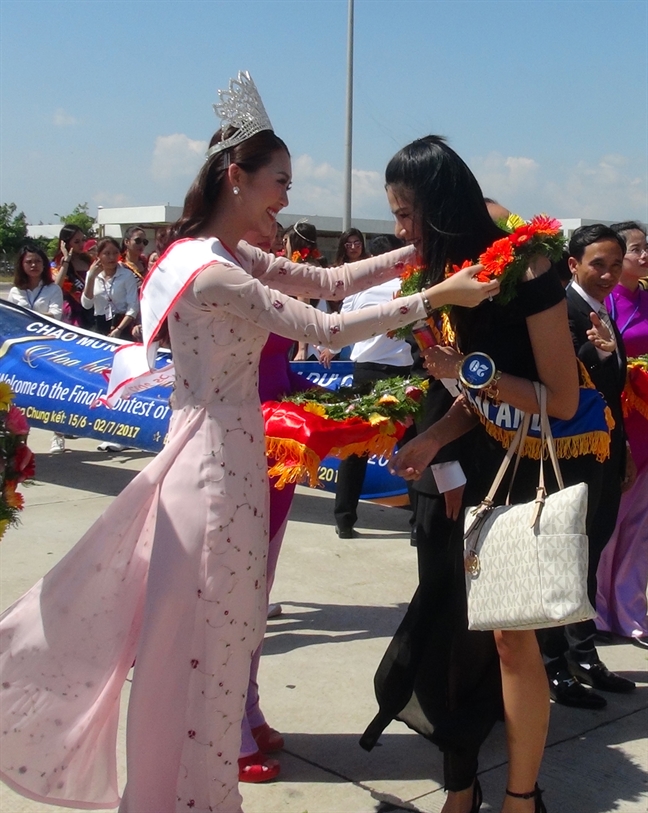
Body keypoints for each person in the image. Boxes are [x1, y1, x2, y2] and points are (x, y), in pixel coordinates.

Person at [0, 74, 497, 813]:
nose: (286, 199)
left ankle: (196, 792)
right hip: (213, 471)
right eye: (280, 183)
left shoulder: (216, 251)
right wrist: (434, 296)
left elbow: (324, 279)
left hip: (226, 458)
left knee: (220, 648)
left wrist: (411, 253)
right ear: (236, 176)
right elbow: (325, 327)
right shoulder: (211, 272)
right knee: (210, 652)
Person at [360, 135, 605, 813]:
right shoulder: (453, 273)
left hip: (529, 466)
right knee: (450, 629)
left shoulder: (528, 269)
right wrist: (433, 435)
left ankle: (522, 794)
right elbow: (476, 397)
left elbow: (556, 398)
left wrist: (473, 372)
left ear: (440, 209)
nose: (402, 231)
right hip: (472, 458)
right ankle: (462, 781)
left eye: (407, 215)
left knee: (508, 633)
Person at [536, 224, 636, 709]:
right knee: (566, 558)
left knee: (590, 555)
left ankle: (583, 653)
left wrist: (625, 452)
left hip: (607, 451)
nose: (608, 274)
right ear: (573, 264)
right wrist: (593, 351)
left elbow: (613, 392)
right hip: (570, 454)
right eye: (598, 264)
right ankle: (552, 663)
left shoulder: (604, 310)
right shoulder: (562, 311)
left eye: (616, 265)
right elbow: (562, 384)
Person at [333, 234, 414, 538]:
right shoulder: (408, 287)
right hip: (401, 374)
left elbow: (341, 327)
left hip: (365, 372)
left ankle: (344, 518)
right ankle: (419, 522)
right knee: (409, 445)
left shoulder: (360, 290)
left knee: (357, 448)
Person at [596, 221, 648, 650]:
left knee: (640, 526)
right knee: (607, 522)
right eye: (635, 249)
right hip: (618, 424)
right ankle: (596, 610)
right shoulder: (602, 304)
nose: (643, 255)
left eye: (644, 248)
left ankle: (630, 613)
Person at [8, 245, 65, 454]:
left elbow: (56, 315)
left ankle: (58, 435)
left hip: (48, 349)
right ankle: (20, 438)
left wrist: (30, 318)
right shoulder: (15, 291)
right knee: (22, 396)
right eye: (29, 262)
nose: (33, 265)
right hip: (22, 351)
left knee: (52, 393)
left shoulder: (53, 289)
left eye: (37, 261)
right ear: (22, 265)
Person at [81, 237, 140, 338]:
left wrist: (119, 329)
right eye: (107, 253)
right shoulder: (92, 275)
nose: (112, 257)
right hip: (100, 323)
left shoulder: (127, 275)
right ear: (98, 255)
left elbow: (133, 306)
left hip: (122, 324)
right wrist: (91, 277)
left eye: (115, 253)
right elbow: (86, 304)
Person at [53, 224, 93, 328]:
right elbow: (56, 286)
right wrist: (66, 262)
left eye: (83, 240)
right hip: (71, 309)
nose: (81, 244)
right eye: (76, 242)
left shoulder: (88, 260)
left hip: (90, 306)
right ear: (65, 243)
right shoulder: (57, 263)